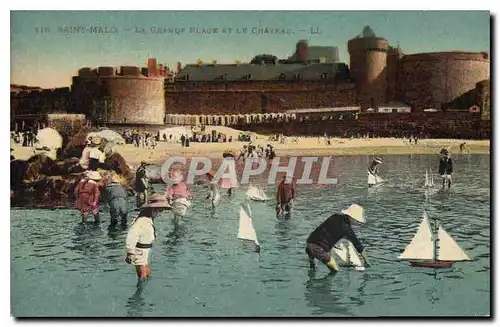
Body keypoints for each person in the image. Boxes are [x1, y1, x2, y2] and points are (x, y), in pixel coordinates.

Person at [305, 204, 370, 273]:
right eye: (357, 220)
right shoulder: (347, 229)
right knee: (335, 271)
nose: (357, 223)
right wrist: (367, 262)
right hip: (318, 249)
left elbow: (326, 231)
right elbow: (358, 245)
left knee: (312, 270)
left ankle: (312, 277)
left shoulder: (335, 216)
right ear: (351, 217)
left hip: (309, 242)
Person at [125, 199, 170, 282]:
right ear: (152, 210)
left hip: (146, 250)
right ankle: (140, 292)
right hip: (140, 251)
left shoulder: (148, 220)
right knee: (142, 275)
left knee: (146, 272)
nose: (159, 214)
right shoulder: (141, 221)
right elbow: (132, 236)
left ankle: (145, 287)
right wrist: (130, 252)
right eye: (159, 211)